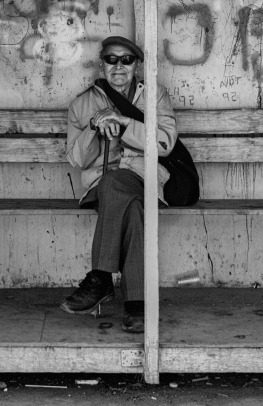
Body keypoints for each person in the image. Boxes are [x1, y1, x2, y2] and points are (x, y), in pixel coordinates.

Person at [62, 35, 178, 333]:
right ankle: (137, 305)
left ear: (136, 65)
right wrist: (93, 127)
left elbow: (164, 144)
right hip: (100, 184)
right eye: (111, 59)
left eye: (127, 60)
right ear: (102, 64)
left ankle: (101, 277)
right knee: (131, 206)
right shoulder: (82, 104)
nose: (119, 66)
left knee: (120, 187)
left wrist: (125, 122)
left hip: (144, 178)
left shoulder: (155, 96)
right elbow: (77, 159)